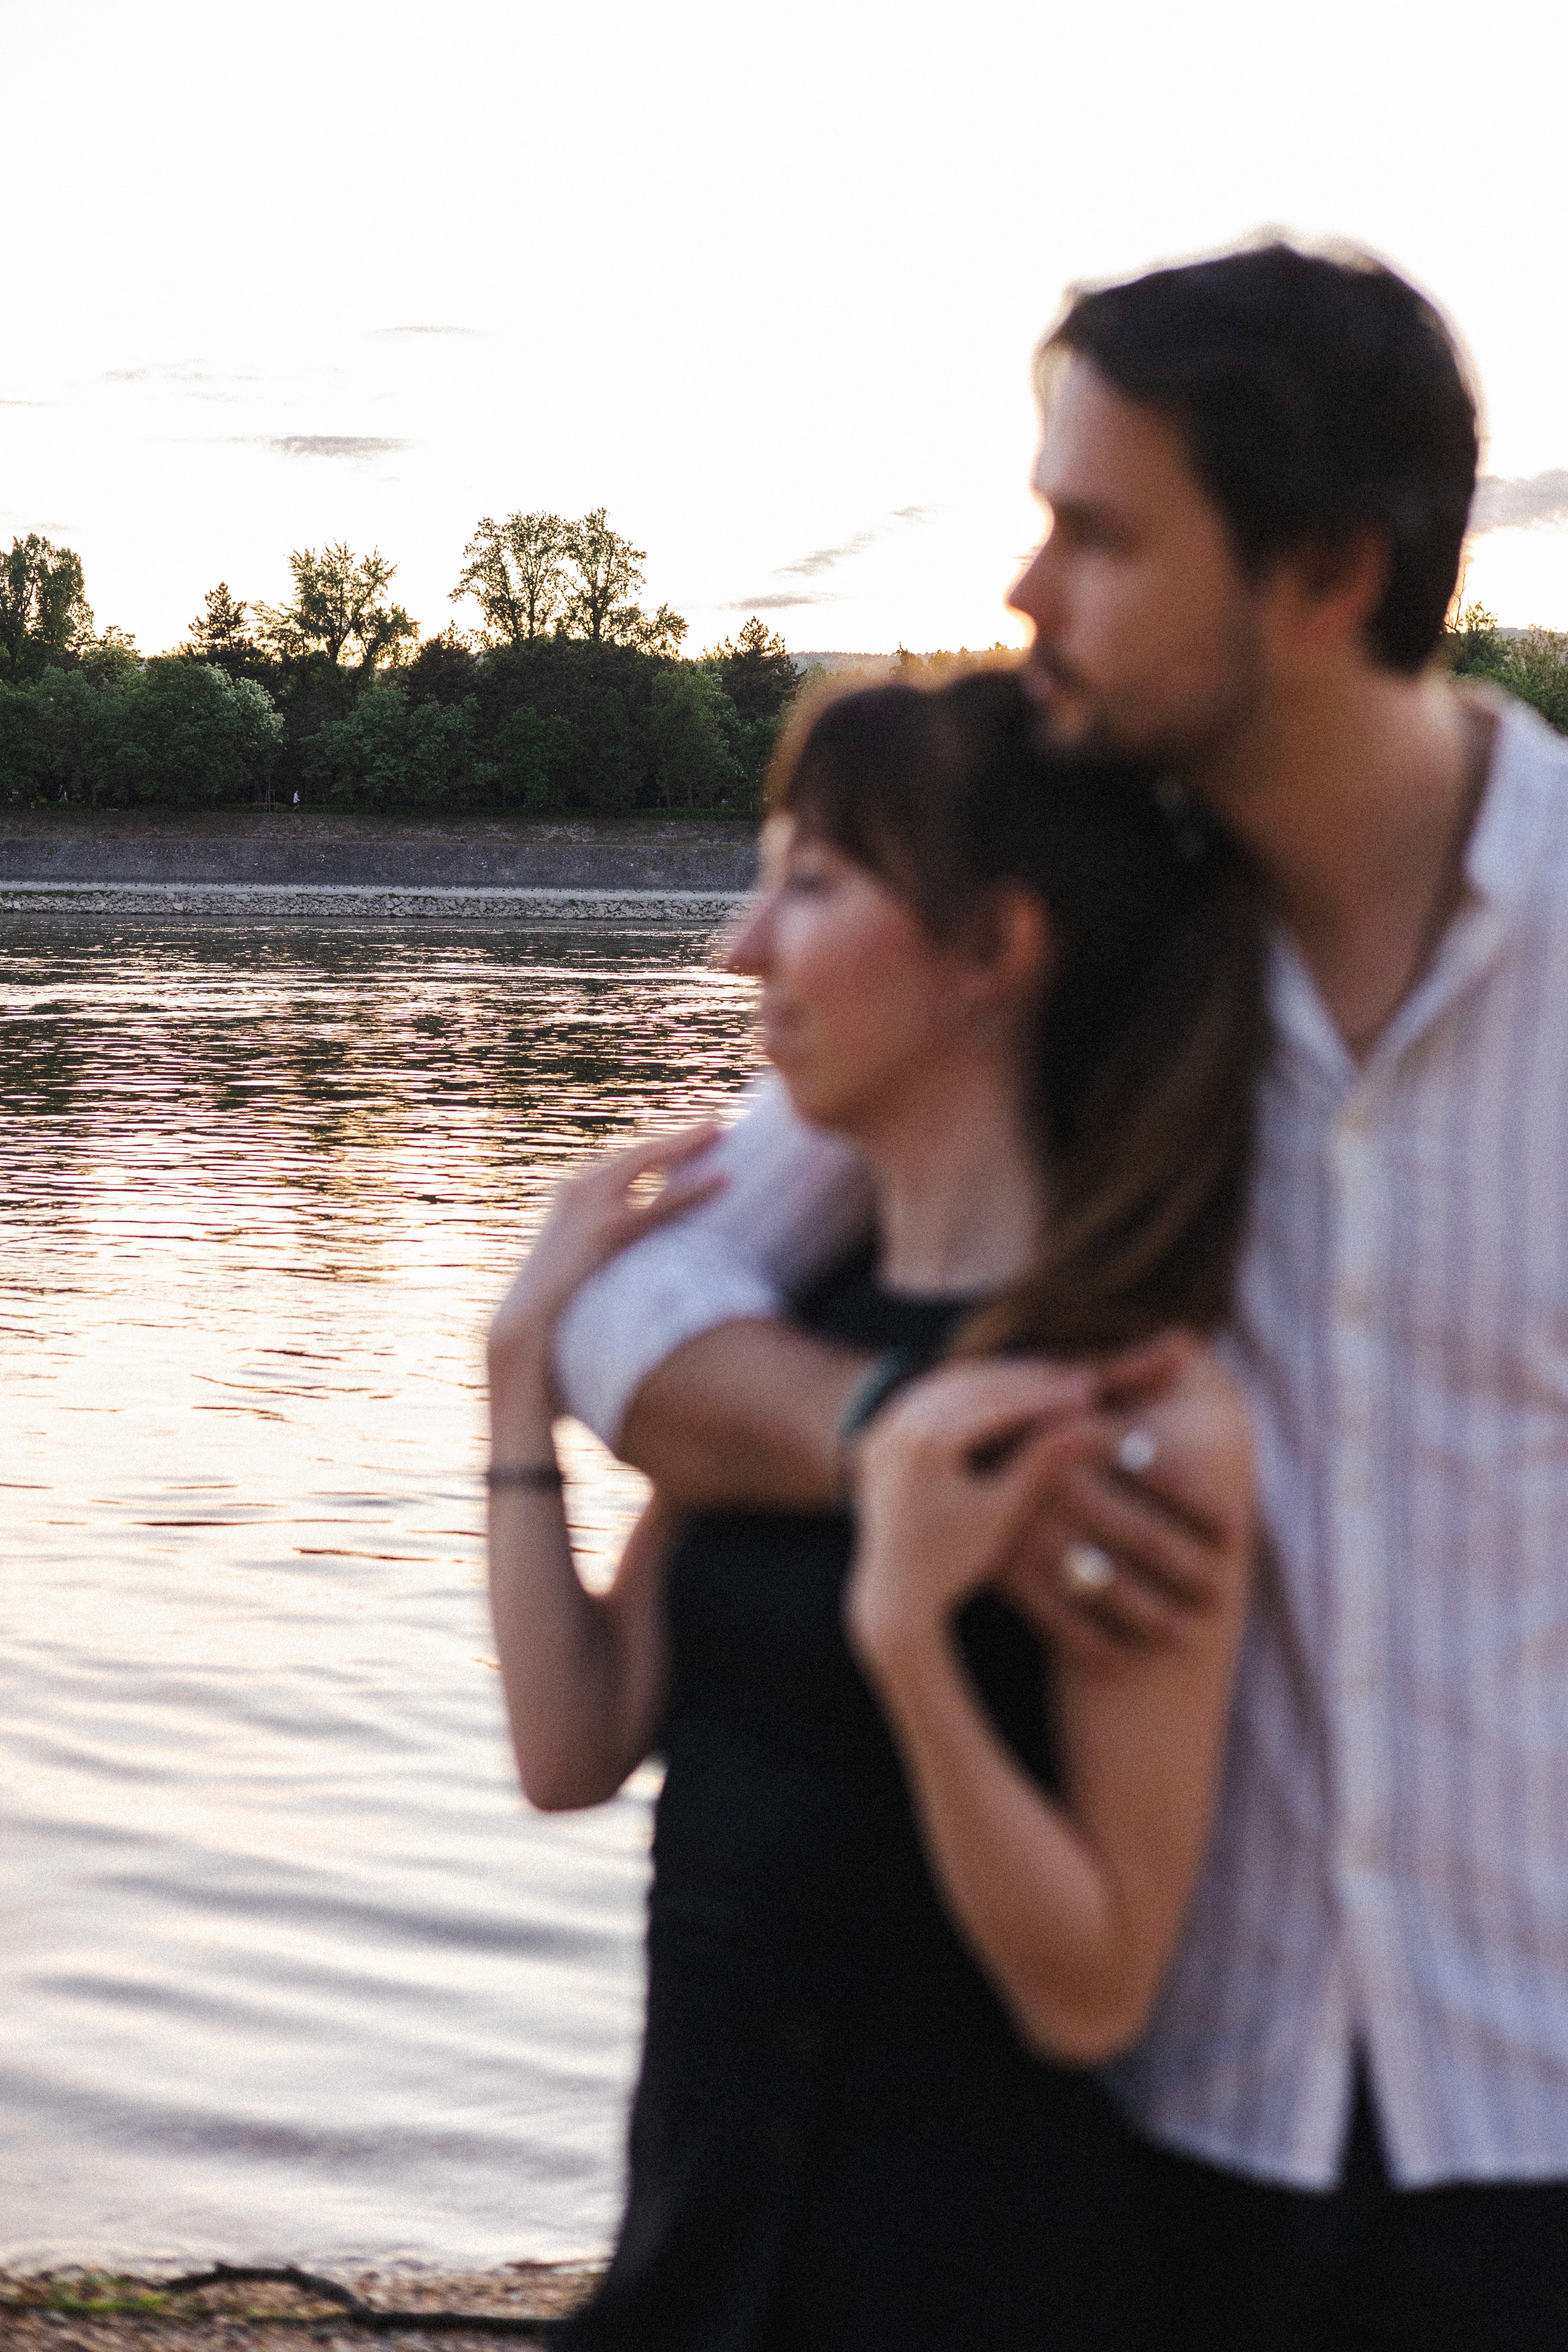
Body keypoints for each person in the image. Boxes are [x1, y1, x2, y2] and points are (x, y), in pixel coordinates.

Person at [552, 238, 1568, 2352]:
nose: (1027, 593)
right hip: (1150, 2153)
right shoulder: (1080, 973)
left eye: (1096, 535)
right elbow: (628, 1311)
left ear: (1315, 571)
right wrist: (882, 1437)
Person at [485, 669, 1264, 2350]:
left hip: (960, 2274)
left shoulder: (1132, 1410)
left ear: (994, 951)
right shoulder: (784, 1338)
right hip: (697, 2243)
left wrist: (909, 1639)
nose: (740, 947)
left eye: (814, 883)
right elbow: (574, 1742)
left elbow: (1099, 1982)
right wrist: (514, 1376)